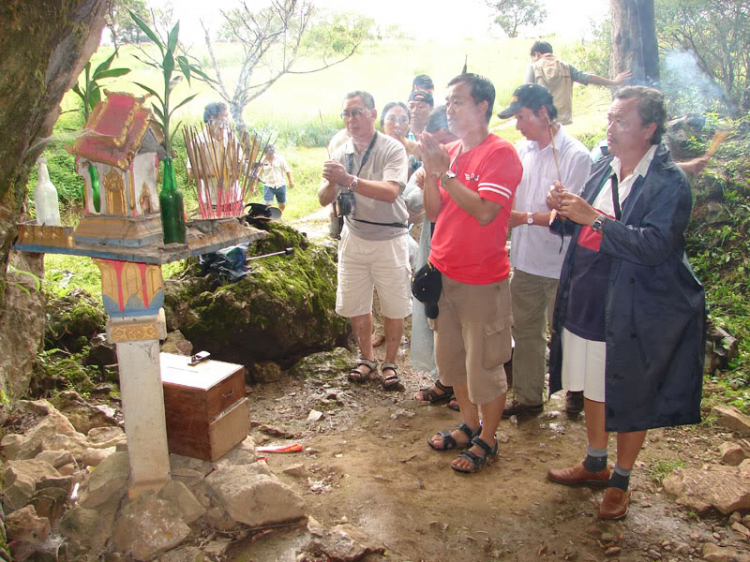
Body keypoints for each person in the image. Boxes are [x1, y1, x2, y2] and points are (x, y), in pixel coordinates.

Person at [545, 86, 706, 519]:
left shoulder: (668, 182)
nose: (609, 128)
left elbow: (655, 246)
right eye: (610, 118)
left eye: (621, 121)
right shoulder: (604, 166)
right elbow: (579, 229)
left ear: (650, 129)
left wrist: (590, 216)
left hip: (634, 304)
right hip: (588, 294)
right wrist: (563, 212)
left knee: (630, 388)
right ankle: (595, 461)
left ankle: (621, 478)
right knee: (594, 382)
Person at [420, 73, 523, 474]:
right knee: (454, 361)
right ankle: (468, 424)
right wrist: (432, 174)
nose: (450, 107)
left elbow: (484, 213)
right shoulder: (451, 152)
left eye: (458, 100)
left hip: (483, 280)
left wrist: (445, 173)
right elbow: (433, 212)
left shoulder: (501, 153)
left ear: (482, 106)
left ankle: (489, 438)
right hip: (444, 273)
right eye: (448, 101)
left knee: (484, 364)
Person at [496, 84, 592, 417]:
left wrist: (523, 218)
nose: (518, 125)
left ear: (543, 114)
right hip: (524, 260)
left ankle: (577, 392)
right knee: (525, 331)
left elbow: (571, 215)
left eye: (521, 117)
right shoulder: (521, 151)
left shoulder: (576, 155)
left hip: (563, 263)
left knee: (567, 333)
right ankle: (528, 397)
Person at [318, 90, 411, 390]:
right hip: (354, 234)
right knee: (357, 302)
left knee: (394, 304)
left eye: (357, 112)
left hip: (389, 237)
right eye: (346, 113)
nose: (351, 119)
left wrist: (349, 180)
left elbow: (391, 191)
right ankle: (366, 358)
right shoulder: (340, 150)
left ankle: (391, 363)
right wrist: (333, 181)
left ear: (372, 114)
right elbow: (322, 199)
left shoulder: (392, 148)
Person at [403, 106, 459, 407]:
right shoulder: (430, 162)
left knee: (465, 320)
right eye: (436, 143)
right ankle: (445, 379)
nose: (442, 149)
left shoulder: (473, 157)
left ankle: (465, 388)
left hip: (464, 251)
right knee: (437, 314)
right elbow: (410, 197)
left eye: (445, 141)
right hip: (435, 245)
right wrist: (428, 182)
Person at [526, 41, 631, 125]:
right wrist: (614, 82)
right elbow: (588, 78)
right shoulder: (566, 67)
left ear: (537, 54)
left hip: (539, 119)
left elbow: (525, 94)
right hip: (561, 119)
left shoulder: (533, 67)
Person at [259, 145, 294, 214]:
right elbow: (258, 174)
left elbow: (287, 170)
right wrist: (254, 187)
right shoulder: (262, 161)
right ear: (265, 153)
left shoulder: (280, 158)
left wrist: (290, 181)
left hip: (280, 184)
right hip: (268, 185)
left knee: (282, 204)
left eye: (271, 153)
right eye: (268, 153)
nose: (270, 155)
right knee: (267, 204)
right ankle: (269, 218)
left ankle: (279, 216)